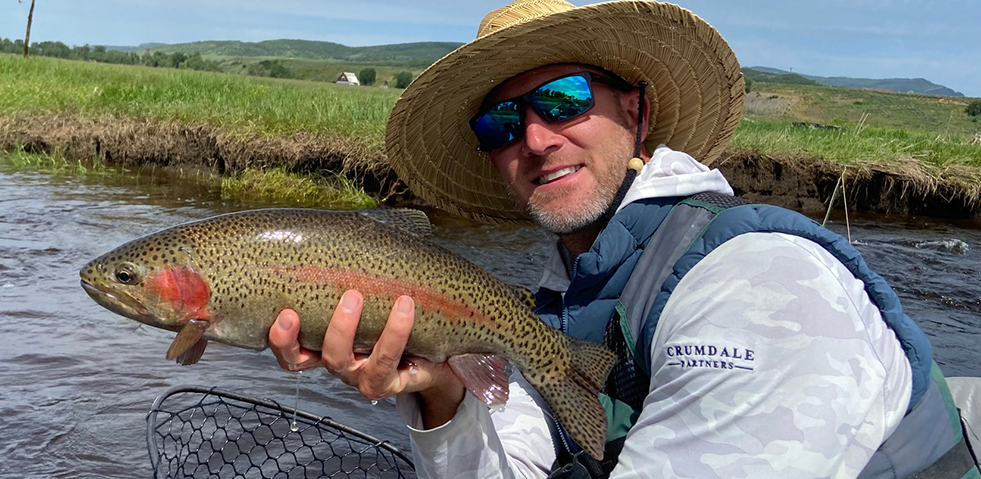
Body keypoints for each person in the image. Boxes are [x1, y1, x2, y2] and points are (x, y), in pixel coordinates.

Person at [268, 1, 979, 477]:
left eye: (564, 100)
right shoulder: (559, 300)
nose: (538, 138)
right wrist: (442, 395)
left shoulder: (758, 283)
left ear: (634, 111)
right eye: (501, 125)